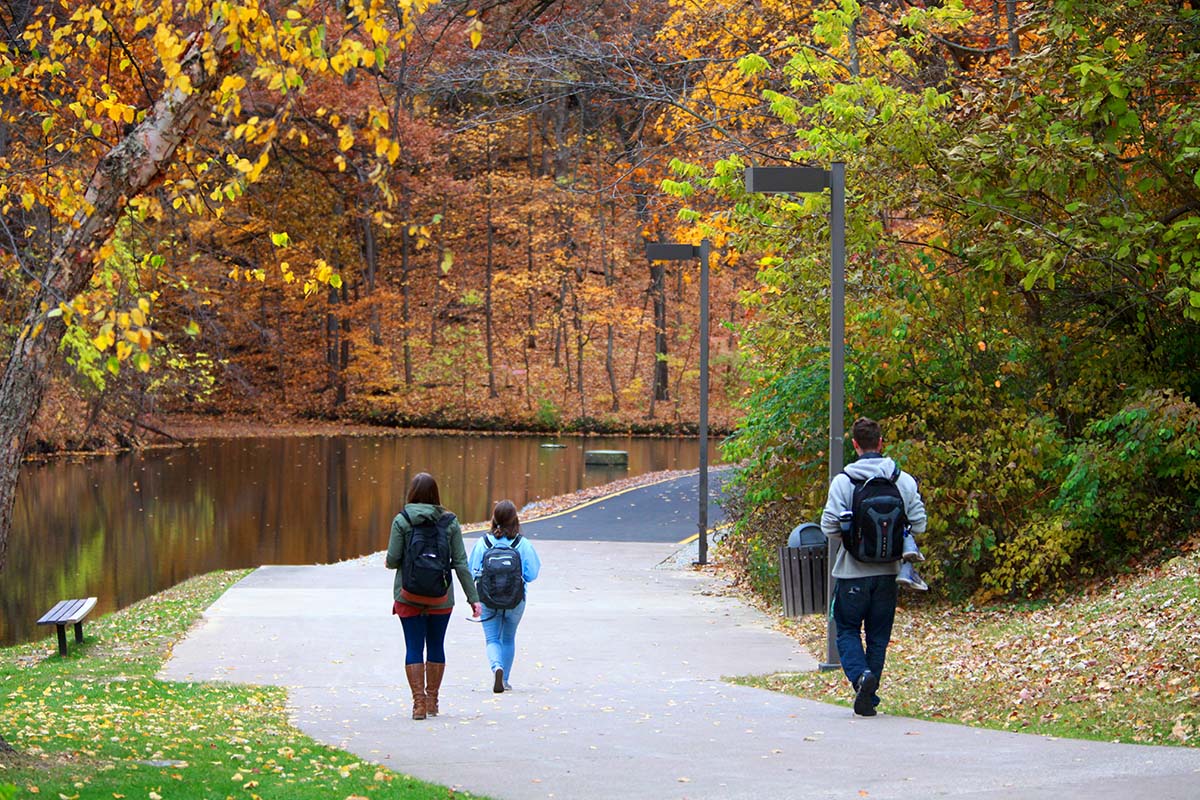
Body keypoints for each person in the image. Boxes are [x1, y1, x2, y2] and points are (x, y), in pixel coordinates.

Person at [820, 417, 927, 717]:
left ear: (855, 445)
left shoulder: (844, 481)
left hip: (851, 573)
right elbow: (920, 522)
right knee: (878, 637)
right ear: (881, 443)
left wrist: (850, 531)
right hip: (889, 574)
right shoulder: (902, 480)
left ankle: (861, 678)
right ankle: (870, 696)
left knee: (847, 630)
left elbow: (828, 527)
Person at [386, 472, 481, 720]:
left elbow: (393, 559)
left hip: (408, 596)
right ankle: (432, 701)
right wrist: (473, 598)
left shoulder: (402, 520)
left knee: (413, 646)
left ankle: (418, 704)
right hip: (441, 597)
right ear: (436, 494)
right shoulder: (449, 522)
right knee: (436, 645)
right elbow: (460, 563)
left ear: (412, 494)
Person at [468, 500, 541, 693]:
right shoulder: (521, 544)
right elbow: (532, 574)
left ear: (494, 519)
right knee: (508, 638)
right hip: (516, 600)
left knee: (492, 639)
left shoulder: (483, 543)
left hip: (487, 599)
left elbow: (472, 570)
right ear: (515, 520)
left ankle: (496, 667)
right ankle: (505, 680)